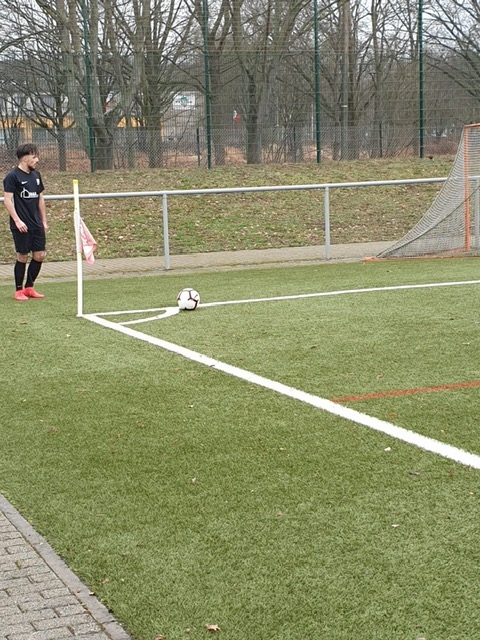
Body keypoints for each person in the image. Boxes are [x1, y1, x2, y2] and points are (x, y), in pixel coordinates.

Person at [3, 143, 47, 301]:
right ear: (24, 158)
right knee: (22, 256)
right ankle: (18, 290)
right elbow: (7, 200)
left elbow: (40, 198)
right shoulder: (12, 176)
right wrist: (17, 221)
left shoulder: (36, 175)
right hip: (21, 225)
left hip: (36, 224)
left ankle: (29, 287)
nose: (37, 160)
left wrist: (44, 221)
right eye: (34, 157)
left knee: (40, 255)